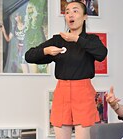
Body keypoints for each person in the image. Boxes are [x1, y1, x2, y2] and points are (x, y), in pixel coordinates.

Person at [25, 1, 107, 139]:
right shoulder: (58, 40)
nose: (70, 15)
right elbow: (29, 56)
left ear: (85, 17)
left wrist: (76, 39)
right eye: (67, 12)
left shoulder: (91, 40)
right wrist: (46, 51)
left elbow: (102, 54)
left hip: (83, 92)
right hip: (62, 91)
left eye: (75, 11)